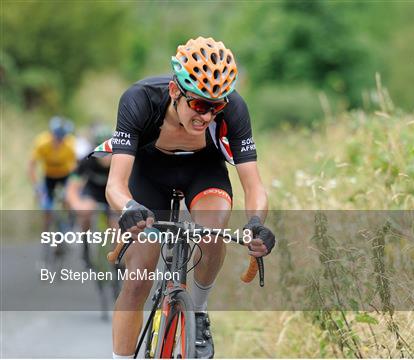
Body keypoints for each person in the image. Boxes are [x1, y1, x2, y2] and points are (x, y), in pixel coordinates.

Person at [104, 37, 275, 359]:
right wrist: (128, 208)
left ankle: (197, 310)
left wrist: (256, 223)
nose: (207, 117)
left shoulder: (235, 109)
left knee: (212, 232)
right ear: (174, 92)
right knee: (138, 278)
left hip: (203, 173)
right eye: (198, 105)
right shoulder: (139, 100)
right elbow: (115, 183)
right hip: (149, 176)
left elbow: (254, 185)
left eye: (216, 107)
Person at [66, 125, 115, 267]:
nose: (106, 155)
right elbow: (72, 188)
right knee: (85, 212)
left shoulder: (122, 159)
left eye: (110, 150)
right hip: (92, 192)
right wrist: (76, 204)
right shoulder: (87, 160)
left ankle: (118, 258)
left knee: (116, 224)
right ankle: (86, 245)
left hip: (111, 193)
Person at [28, 116, 77, 231]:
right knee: (46, 207)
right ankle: (46, 232)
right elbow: (31, 165)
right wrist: (36, 186)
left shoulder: (70, 144)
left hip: (65, 176)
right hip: (48, 177)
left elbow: (76, 167)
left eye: (62, 138)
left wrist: (73, 188)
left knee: (68, 199)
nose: (59, 141)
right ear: (51, 134)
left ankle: (70, 222)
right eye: (57, 137)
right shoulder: (42, 143)